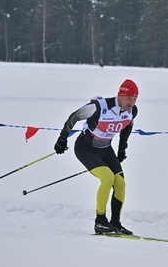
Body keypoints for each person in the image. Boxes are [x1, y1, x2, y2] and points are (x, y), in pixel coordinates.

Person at [54, 79, 139, 235]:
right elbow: (75, 116)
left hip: (106, 149)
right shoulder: (100, 107)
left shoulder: (132, 111)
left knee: (120, 183)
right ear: (120, 95)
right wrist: (62, 139)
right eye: (129, 98)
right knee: (107, 178)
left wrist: (122, 148)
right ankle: (100, 221)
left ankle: (115, 223)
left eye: (135, 98)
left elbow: (128, 126)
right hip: (85, 148)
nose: (132, 102)